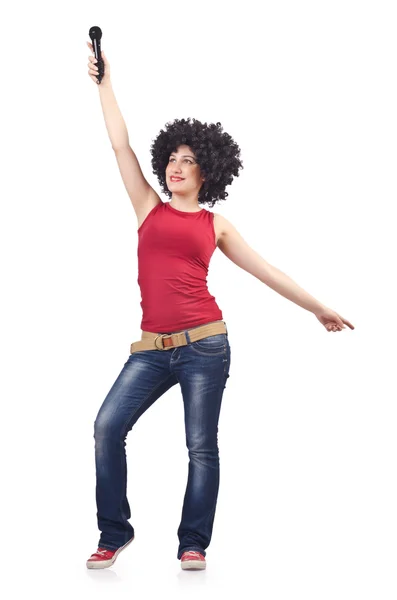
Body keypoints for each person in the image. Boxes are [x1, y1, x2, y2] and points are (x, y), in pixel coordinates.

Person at [85, 43, 355, 571]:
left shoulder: (215, 225)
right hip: (151, 348)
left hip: (206, 345)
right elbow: (121, 147)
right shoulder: (147, 207)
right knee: (106, 427)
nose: (177, 166)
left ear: (207, 170)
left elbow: (267, 270)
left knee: (200, 446)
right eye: (172, 159)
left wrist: (317, 307)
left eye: (189, 160)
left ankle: (193, 543)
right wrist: (104, 84)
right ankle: (114, 532)